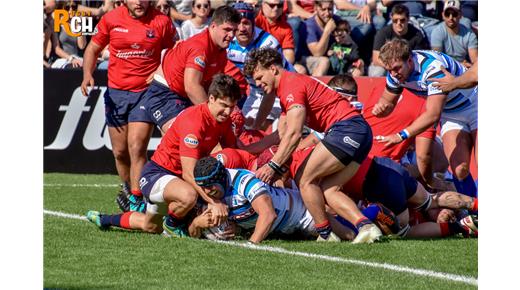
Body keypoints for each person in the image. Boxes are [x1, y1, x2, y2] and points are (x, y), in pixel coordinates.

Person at [244, 48, 382, 243]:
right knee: (328, 189)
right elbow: (282, 134)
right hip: (360, 132)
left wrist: (273, 165)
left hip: (346, 129)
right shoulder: (290, 87)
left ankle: (325, 235)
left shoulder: (289, 85)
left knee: (304, 179)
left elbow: (294, 133)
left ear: (273, 69)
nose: (257, 84)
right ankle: (365, 226)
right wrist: (247, 149)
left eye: (259, 77)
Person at [86, 74, 242, 237]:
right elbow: (189, 174)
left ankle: (105, 219)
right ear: (211, 98)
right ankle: (173, 224)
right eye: (224, 105)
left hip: (176, 181)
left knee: (151, 226)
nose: (227, 111)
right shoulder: (194, 122)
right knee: (189, 196)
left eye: (232, 107)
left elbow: (233, 151)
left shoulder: (223, 120)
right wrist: (214, 202)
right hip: (157, 175)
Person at [80, 0, 176, 212]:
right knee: (121, 152)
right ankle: (127, 187)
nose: (139, 2)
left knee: (136, 147)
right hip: (116, 94)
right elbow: (92, 48)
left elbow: (175, 52)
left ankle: (137, 199)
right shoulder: (111, 19)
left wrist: (160, 70)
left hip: (145, 93)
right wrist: (87, 74)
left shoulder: (162, 22)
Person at [287, 145, 478, 239]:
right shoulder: (314, 146)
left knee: (405, 232)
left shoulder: (301, 171)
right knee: (431, 200)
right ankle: (477, 205)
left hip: (375, 184)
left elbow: (320, 199)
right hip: (385, 165)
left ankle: (462, 227)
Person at [372, 39, 478, 199]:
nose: (394, 74)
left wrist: (401, 135)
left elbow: (433, 114)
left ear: (409, 60)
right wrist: (381, 108)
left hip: (475, 105)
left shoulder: (433, 69)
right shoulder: (396, 73)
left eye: (396, 69)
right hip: (451, 113)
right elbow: (388, 102)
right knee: (459, 170)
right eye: (389, 70)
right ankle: (475, 214)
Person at [193, 156, 357, 243]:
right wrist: (196, 224)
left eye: (211, 186)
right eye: (203, 187)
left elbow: (268, 215)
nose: (207, 191)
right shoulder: (210, 195)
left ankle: (374, 215)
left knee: (349, 235)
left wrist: (251, 244)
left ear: (222, 178)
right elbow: (193, 234)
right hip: (282, 229)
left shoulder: (244, 181)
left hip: (300, 213)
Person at [227, 2, 293, 131]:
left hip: (281, 91)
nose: (241, 28)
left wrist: (257, 125)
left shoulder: (267, 44)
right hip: (256, 92)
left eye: (246, 23)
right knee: (241, 129)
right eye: (237, 23)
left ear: (253, 23)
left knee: (270, 131)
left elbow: (271, 90)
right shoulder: (227, 40)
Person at [369, 4, 430, 77]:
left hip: (407, 66)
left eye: (402, 20)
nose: (399, 23)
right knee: (377, 72)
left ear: (408, 19)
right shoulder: (383, 33)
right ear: (391, 18)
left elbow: (419, 59)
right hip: (386, 65)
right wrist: (393, 67)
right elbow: (376, 59)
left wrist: (401, 68)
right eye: (395, 20)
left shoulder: (417, 35)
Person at [430, 0, 478, 68]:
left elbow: (475, 60)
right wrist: (459, 64)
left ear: (460, 15)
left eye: (454, 14)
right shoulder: (437, 32)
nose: (451, 18)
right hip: (444, 68)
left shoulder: (469, 34)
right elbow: (437, 60)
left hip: (464, 68)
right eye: (447, 14)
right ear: (443, 15)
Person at [299, 0, 340, 76]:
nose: (327, 13)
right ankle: (315, 87)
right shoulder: (309, 25)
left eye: (330, 9)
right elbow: (317, 53)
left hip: (331, 57)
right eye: (323, 10)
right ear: (316, 8)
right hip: (309, 59)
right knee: (324, 61)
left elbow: (349, 45)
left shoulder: (337, 20)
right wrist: (327, 31)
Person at [255, 0, 297, 66]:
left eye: (279, 5)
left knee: (300, 69)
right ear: (263, 5)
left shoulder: (286, 27)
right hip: (255, 62)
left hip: (277, 65)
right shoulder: (254, 20)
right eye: (272, 5)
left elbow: (289, 55)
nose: (276, 8)